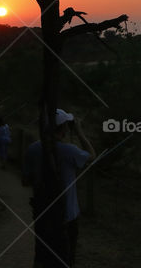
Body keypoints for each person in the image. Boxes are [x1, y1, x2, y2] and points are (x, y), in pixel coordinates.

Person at [22, 109, 94, 267]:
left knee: (42, 257)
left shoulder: (33, 148)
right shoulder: (69, 150)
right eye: (67, 125)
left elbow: (25, 181)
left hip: (42, 214)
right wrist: (80, 131)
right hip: (67, 217)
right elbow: (91, 156)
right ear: (62, 128)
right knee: (66, 260)